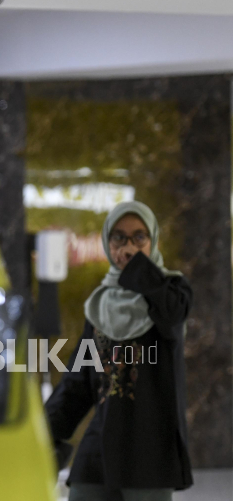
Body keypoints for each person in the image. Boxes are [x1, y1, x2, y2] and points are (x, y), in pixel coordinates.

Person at [45, 201, 193, 501]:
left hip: (149, 452)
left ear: (153, 241)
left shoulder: (171, 291)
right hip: (100, 447)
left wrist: (139, 268)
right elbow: (77, 383)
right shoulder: (99, 306)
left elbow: (172, 316)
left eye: (139, 237)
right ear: (106, 242)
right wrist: (45, 434)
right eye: (119, 237)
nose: (128, 246)